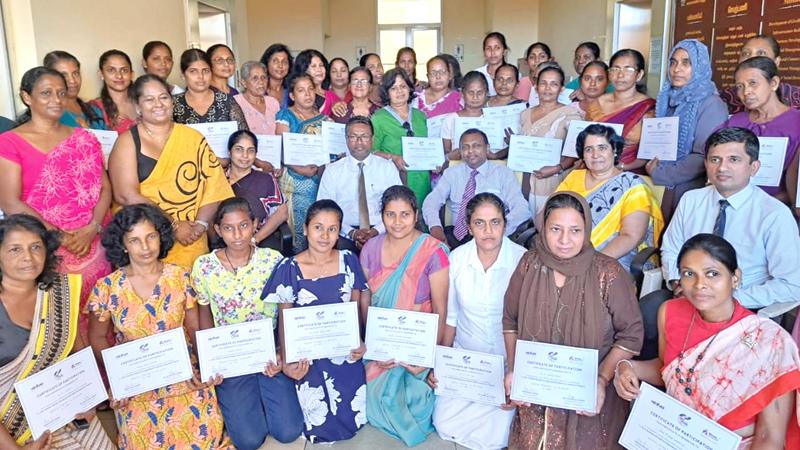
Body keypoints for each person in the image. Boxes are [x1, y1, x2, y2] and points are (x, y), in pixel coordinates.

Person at [614, 233, 800, 448]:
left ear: (735, 278)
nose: (699, 284)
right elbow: (671, 372)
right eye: (689, 274)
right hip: (675, 438)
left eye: (712, 274)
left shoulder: (770, 342)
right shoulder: (670, 312)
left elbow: (770, 437)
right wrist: (627, 367)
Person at [503, 191, 643, 449]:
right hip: (537, 390)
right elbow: (510, 321)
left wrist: (601, 379)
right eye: (555, 229)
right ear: (543, 228)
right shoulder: (529, 263)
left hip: (588, 394)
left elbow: (630, 335)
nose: (565, 240)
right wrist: (515, 369)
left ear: (587, 229)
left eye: (575, 230)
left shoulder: (608, 272)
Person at [87, 204, 233, 449]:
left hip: (183, 373)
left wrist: (206, 366)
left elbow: (194, 328)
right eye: (134, 240)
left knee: (203, 438)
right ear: (122, 244)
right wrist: (119, 377)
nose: (145, 247)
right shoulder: (106, 288)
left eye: (151, 237)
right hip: (136, 380)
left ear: (161, 237)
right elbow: (98, 339)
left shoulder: (180, 277)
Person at [0, 66, 112, 341]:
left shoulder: (85, 138)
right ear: (27, 97)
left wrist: (93, 227)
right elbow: (9, 200)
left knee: (103, 319)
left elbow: (105, 188)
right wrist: (59, 235)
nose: (56, 100)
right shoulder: (10, 142)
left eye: (61, 93)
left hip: (94, 245)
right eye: (46, 93)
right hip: (46, 250)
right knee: (61, 327)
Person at [192, 198, 303, 449]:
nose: (237, 234)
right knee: (248, 441)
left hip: (267, 354)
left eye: (243, 225)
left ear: (254, 224)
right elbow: (204, 314)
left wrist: (282, 353)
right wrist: (211, 361)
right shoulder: (204, 266)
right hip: (230, 358)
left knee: (288, 431)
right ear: (218, 230)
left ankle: (265, 397)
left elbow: (285, 310)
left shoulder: (272, 260)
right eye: (228, 228)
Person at [0, 214, 115, 449]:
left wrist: (88, 400)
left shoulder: (57, 294)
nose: (28, 258)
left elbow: (77, 353)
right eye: (15, 249)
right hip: (13, 433)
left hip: (70, 415)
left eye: (36, 247)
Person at [659, 126, 800, 310]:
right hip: (688, 295)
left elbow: (791, 284)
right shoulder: (691, 200)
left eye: (734, 159)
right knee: (649, 312)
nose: (722, 168)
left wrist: (729, 300)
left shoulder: (774, 214)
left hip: (741, 304)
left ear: (753, 167)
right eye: (715, 159)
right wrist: (679, 282)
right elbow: (671, 249)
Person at [262, 200, 369, 443]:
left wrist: (359, 341)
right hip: (308, 353)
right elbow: (285, 319)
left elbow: (353, 308)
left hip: (341, 349)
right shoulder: (289, 267)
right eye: (318, 227)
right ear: (305, 229)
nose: (325, 235)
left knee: (352, 413)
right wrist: (289, 361)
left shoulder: (349, 260)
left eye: (332, 229)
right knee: (314, 411)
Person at [428, 193, 525, 449]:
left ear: (505, 224)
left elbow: (529, 324)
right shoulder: (457, 258)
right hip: (467, 359)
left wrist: (517, 373)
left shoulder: (522, 260)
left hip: (506, 361)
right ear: (469, 227)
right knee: (444, 422)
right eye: (479, 223)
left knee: (498, 436)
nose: (488, 231)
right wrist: (443, 362)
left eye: (495, 222)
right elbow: (451, 318)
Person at [109, 74, 233, 269]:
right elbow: (126, 195)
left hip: (191, 238)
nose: (158, 104)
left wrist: (200, 225)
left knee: (191, 297)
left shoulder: (192, 137)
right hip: (146, 242)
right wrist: (173, 225)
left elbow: (215, 185)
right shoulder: (127, 141)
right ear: (138, 107)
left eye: (164, 97)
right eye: (149, 99)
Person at [360, 185, 449, 446]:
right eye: (390, 215)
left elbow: (441, 309)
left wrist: (432, 358)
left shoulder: (434, 251)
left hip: (418, 346)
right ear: (382, 215)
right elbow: (367, 300)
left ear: (416, 214)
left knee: (416, 404)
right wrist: (373, 347)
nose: (397, 222)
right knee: (369, 397)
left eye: (405, 215)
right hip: (383, 343)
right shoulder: (371, 249)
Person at [556, 124, 663, 270]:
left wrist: (591, 263)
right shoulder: (574, 177)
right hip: (564, 249)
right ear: (583, 155)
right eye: (589, 149)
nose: (595, 155)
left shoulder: (632, 186)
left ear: (615, 151)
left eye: (602, 148)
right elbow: (549, 214)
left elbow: (631, 236)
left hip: (609, 260)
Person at [646, 39, 728, 223]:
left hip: (688, 190)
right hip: (660, 184)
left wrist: (661, 173)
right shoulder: (666, 99)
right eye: (673, 62)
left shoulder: (711, 104)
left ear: (700, 67)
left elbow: (704, 156)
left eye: (686, 63)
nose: (677, 69)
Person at [423, 129, 528, 249]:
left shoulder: (503, 173)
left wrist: (497, 230)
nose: (470, 151)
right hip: (456, 237)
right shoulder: (452, 173)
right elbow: (432, 201)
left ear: (487, 148)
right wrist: (435, 227)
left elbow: (522, 209)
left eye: (476, 146)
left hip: (492, 237)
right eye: (465, 147)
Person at [720, 56, 800, 211]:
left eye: (753, 83)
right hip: (733, 206)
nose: (746, 92)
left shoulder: (796, 122)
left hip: (779, 210)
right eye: (739, 86)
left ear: (773, 83)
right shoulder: (736, 122)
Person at [317, 116, 401, 251]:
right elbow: (325, 211)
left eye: (364, 136)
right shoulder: (332, 171)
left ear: (372, 139)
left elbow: (398, 207)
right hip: (343, 232)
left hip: (382, 229)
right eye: (353, 137)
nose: (359, 142)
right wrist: (352, 233)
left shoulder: (387, 168)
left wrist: (376, 231)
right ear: (346, 139)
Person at [519, 65, 582, 215]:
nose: (547, 88)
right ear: (535, 86)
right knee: (525, 226)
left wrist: (557, 168)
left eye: (554, 84)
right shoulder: (525, 114)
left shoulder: (571, 115)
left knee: (549, 222)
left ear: (561, 89)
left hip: (554, 179)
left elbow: (575, 153)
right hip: (526, 180)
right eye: (543, 83)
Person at [276, 73, 327, 252]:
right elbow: (281, 149)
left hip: (321, 181)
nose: (307, 94)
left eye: (310, 89)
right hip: (296, 180)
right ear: (292, 95)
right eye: (301, 90)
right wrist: (302, 169)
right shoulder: (286, 116)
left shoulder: (325, 119)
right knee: (301, 231)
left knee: (321, 225)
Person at [586, 49, 655, 174]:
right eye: (615, 69)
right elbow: (585, 142)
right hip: (593, 171)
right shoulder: (596, 104)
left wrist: (621, 167)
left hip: (630, 174)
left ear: (639, 75)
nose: (620, 75)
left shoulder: (649, 108)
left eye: (628, 70)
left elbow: (649, 153)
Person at [371, 68, 430, 205]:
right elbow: (371, 152)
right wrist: (393, 157)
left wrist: (435, 161)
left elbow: (428, 146)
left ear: (409, 89)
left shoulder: (420, 116)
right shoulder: (378, 118)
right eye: (393, 88)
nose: (399, 91)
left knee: (421, 221)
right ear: (386, 92)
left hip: (421, 180)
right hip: (394, 180)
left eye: (403, 86)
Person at [226, 130, 288, 250]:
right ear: (230, 152)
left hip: (259, 242)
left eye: (251, 150)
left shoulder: (265, 179)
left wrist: (255, 239)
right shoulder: (219, 179)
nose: (245, 155)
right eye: (239, 149)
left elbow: (282, 213)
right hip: (224, 242)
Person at [719, 34, 800, 114]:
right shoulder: (724, 99)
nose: (752, 58)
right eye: (746, 54)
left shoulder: (796, 98)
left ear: (776, 62)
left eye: (761, 53)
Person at [173, 49, 248, 130]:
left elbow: (244, 134)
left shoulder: (226, 101)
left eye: (205, 71)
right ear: (183, 75)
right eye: (193, 71)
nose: (201, 76)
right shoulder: (173, 103)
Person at [43, 51, 105, 129]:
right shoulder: (49, 114)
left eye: (75, 73)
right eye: (63, 75)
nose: (72, 80)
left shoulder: (94, 111)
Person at [440, 71, 495, 157]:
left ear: (487, 93)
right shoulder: (450, 120)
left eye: (480, 93)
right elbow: (446, 151)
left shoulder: (493, 119)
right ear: (462, 93)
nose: (475, 97)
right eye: (470, 93)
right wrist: (452, 155)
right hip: (458, 167)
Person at [90, 49, 138, 133]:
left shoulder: (142, 102)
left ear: (131, 74)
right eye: (111, 70)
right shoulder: (94, 109)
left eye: (124, 70)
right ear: (101, 74)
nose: (119, 76)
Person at [234, 61, 281, 136]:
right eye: (255, 78)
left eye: (264, 77)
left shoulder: (272, 102)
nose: (261, 82)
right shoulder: (235, 102)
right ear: (244, 83)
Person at [411, 55, 463, 122]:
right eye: (433, 73)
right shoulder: (416, 99)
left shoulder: (459, 100)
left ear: (449, 75)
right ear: (428, 77)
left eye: (442, 72)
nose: (438, 76)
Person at [476, 32, 512, 97]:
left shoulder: (514, 74)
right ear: (484, 52)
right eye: (488, 48)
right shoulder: (477, 75)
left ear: (504, 51)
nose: (493, 52)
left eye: (497, 48)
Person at [260, 43, 294, 108]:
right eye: (275, 61)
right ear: (267, 64)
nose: (280, 66)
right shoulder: (258, 91)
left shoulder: (292, 91)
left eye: (284, 62)